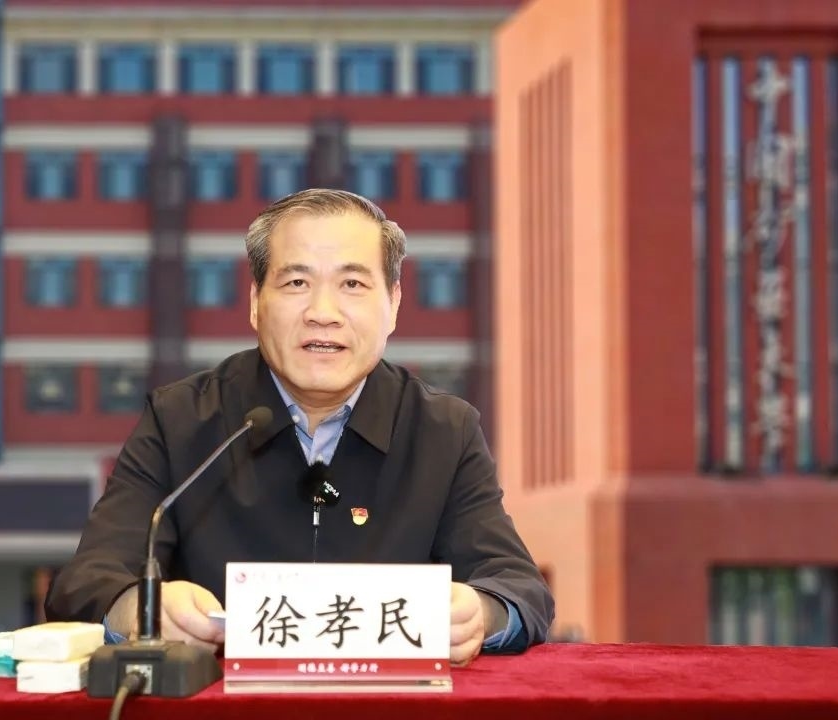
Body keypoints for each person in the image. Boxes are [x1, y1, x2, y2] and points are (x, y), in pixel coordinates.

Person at [45, 188, 554, 664]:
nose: (322, 313)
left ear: (394, 304)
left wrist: (481, 613)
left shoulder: (443, 429)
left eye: (352, 284)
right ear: (254, 302)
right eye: (296, 283)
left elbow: (518, 587)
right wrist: (141, 610)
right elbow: (86, 582)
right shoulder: (180, 419)